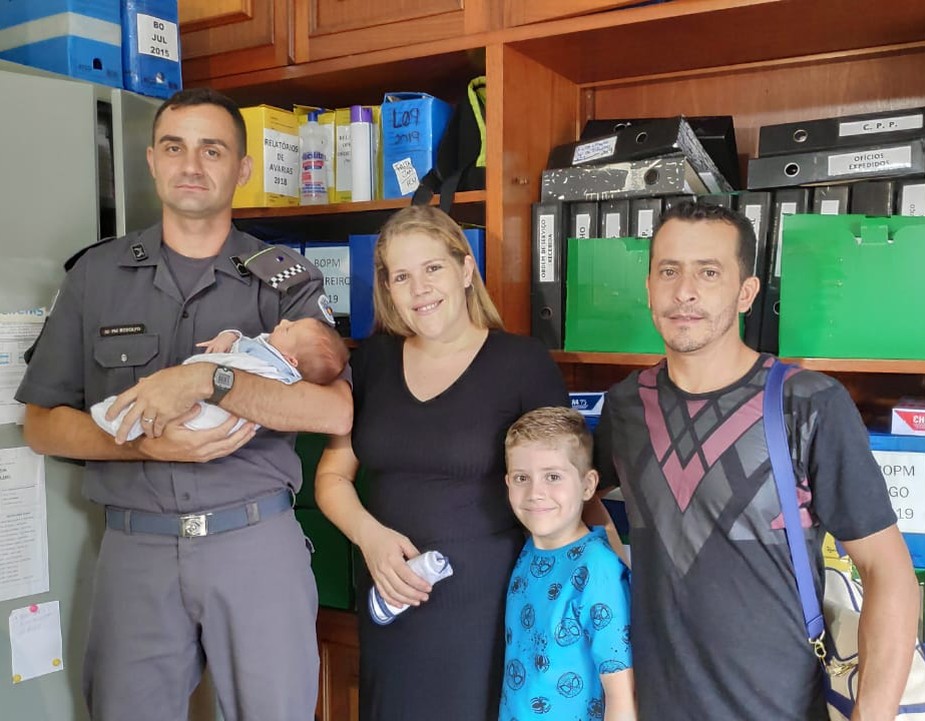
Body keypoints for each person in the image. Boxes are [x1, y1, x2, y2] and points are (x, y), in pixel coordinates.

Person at [15, 87, 352, 721]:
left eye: (212, 149)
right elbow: (41, 425)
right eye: (175, 147)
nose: (191, 165)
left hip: (255, 542)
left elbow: (335, 413)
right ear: (151, 160)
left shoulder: (285, 279)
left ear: (242, 169)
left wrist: (212, 383)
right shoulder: (95, 276)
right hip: (134, 550)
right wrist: (139, 441)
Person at [594, 200, 919, 721]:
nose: (685, 292)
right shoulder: (628, 404)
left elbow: (889, 571)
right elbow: (577, 499)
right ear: (649, 287)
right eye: (668, 271)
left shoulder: (809, 404)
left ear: (746, 293)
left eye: (709, 272)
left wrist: (872, 714)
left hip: (777, 708)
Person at [314, 205, 569, 721]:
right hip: (391, 602)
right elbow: (332, 477)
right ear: (388, 290)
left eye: (433, 268)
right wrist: (371, 537)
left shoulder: (522, 363)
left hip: (487, 608)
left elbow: (563, 494)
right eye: (401, 277)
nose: (419, 289)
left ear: (465, 269)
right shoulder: (373, 362)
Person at [500, 406, 635, 721]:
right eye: (522, 477)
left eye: (553, 476)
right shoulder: (527, 552)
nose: (535, 493)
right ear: (507, 483)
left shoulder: (598, 570)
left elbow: (621, 696)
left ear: (588, 485)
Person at [91, 317, 344, 440]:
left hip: (222, 419)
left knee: (177, 413)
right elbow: (243, 340)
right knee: (158, 400)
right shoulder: (269, 345)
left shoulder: (276, 373)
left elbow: (270, 399)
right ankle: (124, 418)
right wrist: (228, 336)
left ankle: (120, 420)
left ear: (291, 361)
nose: (284, 321)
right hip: (197, 394)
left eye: (289, 328)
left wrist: (207, 379)